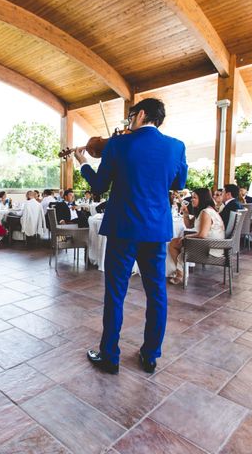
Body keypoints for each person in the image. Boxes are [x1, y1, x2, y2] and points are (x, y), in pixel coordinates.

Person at [74, 97, 187, 375]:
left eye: (131, 115)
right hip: (155, 229)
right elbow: (179, 183)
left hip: (123, 228)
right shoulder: (176, 146)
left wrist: (83, 163)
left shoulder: (118, 144)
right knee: (157, 293)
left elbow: (100, 185)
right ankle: (150, 355)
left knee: (115, 293)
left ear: (141, 115)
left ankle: (110, 356)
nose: (129, 120)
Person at [168, 188, 225, 284]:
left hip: (211, 248)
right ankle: (180, 271)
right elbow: (189, 225)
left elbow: (202, 234)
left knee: (173, 243)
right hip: (213, 244)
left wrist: (186, 237)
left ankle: (180, 273)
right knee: (177, 242)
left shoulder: (206, 212)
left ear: (202, 199)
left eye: (195, 197)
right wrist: (185, 213)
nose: (192, 199)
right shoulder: (205, 210)